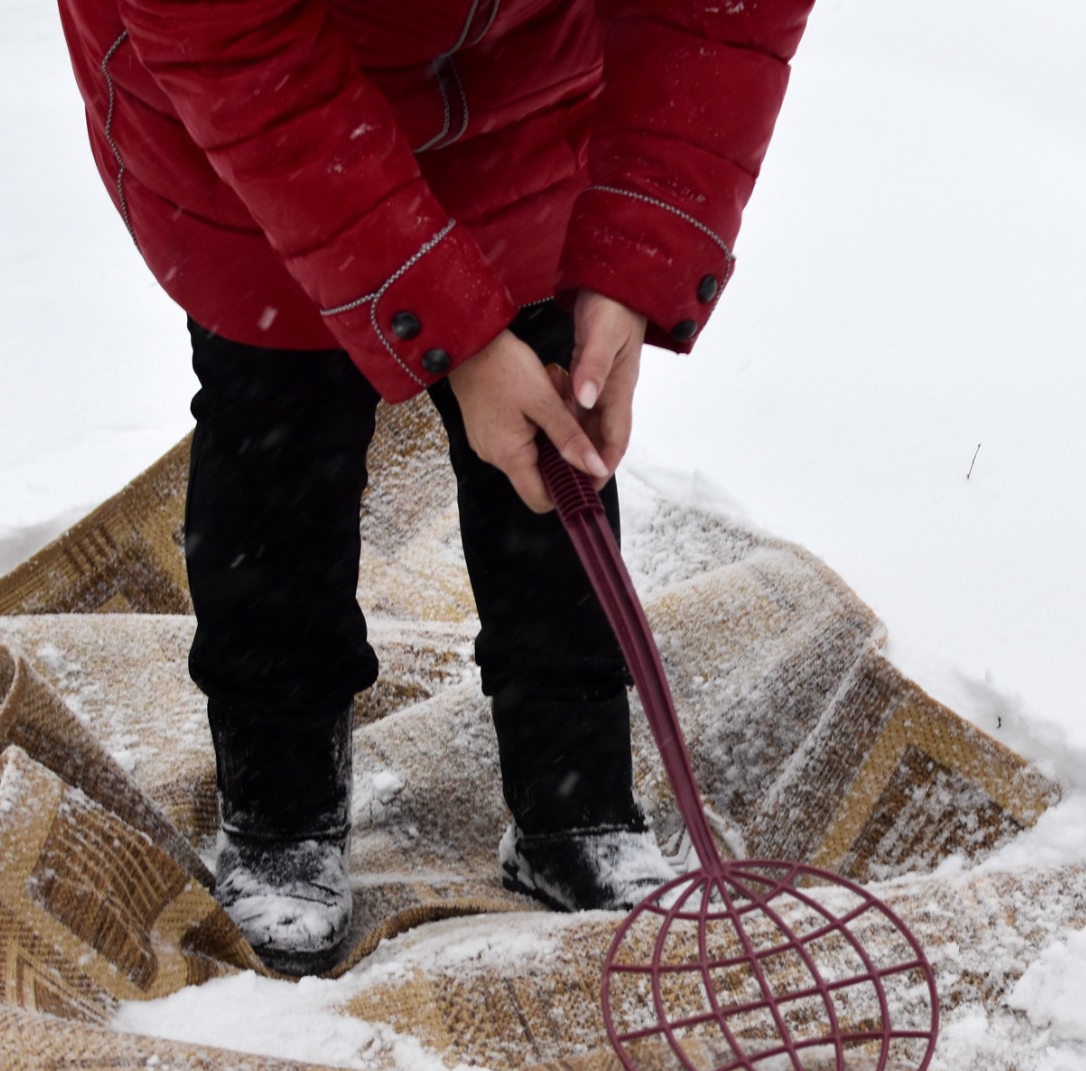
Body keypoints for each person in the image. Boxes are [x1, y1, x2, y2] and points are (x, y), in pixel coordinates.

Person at [53, 0, 813, 973]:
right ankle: (281, 808)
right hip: (255, 124)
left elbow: (718, 19)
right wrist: (452, 339)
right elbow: (239, 48)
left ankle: (574, 810)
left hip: (518, 100)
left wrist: (632, 260)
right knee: (279, 442)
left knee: (550, 444)